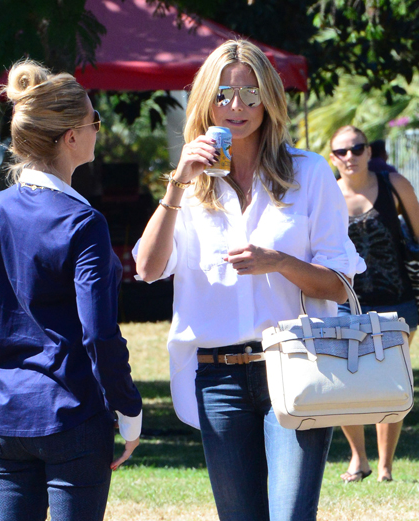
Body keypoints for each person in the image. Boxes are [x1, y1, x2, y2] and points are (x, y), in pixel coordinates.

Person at [133, 39, 365, 521]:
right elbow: (148, 269)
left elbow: (339, 284)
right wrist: (178, 181)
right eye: (222, 93)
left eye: (250, 93)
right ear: (205, 101)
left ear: (269, 100)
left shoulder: (309, 173)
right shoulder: (190, 185)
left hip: (295, 367)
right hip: (217, 377)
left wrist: (278, 260)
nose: (236, 106)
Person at [0, 60, 142, 521]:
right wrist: (129, 411)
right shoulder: (83, 222)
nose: (98, 129)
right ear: (71, 136)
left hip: (8, 420)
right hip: (73, 415)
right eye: (94, 121)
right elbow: (98, 334)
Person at [330, 125, 419, 482]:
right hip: (343, 302)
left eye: (357, 148)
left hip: (397, 300)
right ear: (333, 158)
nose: (349, 156)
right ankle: (358, 459)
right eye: (341, 152)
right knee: (342, 383)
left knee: (391, 382)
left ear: (369, 152)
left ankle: (384, 467)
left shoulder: (394, 186)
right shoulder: (328, 196)